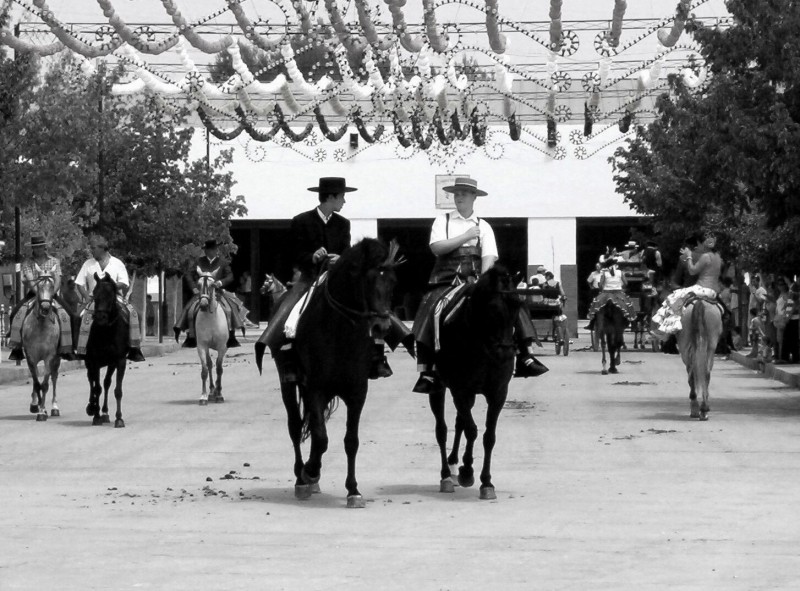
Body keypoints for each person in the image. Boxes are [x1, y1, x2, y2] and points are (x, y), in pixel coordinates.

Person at [256, 177, 414, 383]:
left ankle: (377, 356)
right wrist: (312, 256)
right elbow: (292, 254)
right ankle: (289, 361)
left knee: (373, 307)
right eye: (342, 197)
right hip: (309, 278)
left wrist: (341, 259)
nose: (344, 202)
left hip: (337, 279)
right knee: (290, 314)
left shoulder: (343, 223)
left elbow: (346, 252)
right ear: (330, 197)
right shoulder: (301, 221)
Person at [411, 177, 546, 394]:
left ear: (474, 197)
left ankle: (525, 354)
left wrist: (486, 282)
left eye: (464, 193)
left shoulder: (484, 226)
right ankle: (427, 370)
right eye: (456, 193)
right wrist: (465, 236)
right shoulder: (442, 221)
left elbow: (489, 256)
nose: (459, 197)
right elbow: (437, 248)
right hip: (446, 279)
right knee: (430, 308)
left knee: (511, 302)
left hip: (477, 278)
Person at [74, 234, 145, 362]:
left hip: (114, 297)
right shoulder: (88, 264)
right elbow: (79, 283)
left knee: (133, 313)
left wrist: (107, 288)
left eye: (94, 248)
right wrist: (86, 296)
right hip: (94, 299)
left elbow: (124, 282)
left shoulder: (117, 263)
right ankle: (80, 348)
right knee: (78, 316)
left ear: (103, 248)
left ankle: (134, 348)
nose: (91, 250)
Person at [6, 234, 75, 361]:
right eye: (36, 247)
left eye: (40, 246)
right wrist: (40, 294)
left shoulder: (54, 261)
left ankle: (69, 347)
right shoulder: (28, 262)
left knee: (69, 314)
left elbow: (58, 279)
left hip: (52, 293)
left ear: (44, 247)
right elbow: (31, 281)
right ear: (33, 248)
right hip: (35, 293)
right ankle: (17, 347)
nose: (38, 249)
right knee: (15, 313)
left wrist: (51, 293)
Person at [173, 239, 248, 348]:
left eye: (214, 249)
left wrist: (220, 282)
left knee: (228, 309)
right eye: (209, 250)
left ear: (216, 250)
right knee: (190, 311)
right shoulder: (198, 261)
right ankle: (191, 336)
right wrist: (194, 288)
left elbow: (230, 276)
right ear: (206, 251)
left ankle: (231, 336)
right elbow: (189, 275)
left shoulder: (222, 262)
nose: (212, 251)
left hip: (217, 292)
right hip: (201, 291)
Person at [651, 232, 723, 337]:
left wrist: (688, 257)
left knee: (673, 299)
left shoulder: (694, 257)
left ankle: (665, 333)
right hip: (714, 291)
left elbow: (691, 271)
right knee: (725, 311)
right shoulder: (718, 257)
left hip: (701, 288)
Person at [585, 256, 636, 331]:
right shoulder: (620, 272)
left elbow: (601, 285)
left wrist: (601, 288)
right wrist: (620, 286)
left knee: (595, 305)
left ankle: (592, 323)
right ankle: (633, 324)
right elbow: (626, 283)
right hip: (618, 292)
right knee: (628, 305)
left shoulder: (604, 273)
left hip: (606, 293)